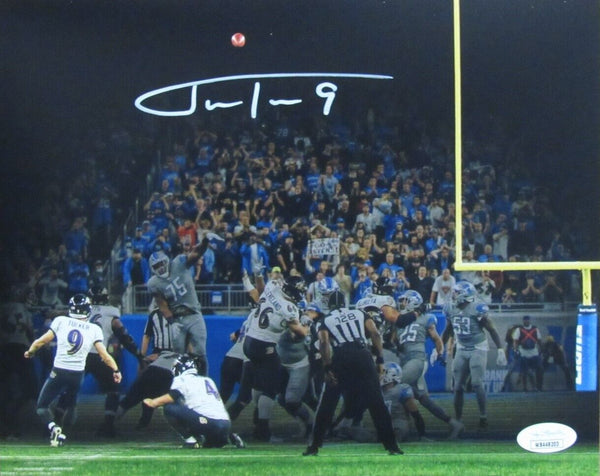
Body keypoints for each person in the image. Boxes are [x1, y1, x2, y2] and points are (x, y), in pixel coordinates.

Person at [303, 290, 403, 456]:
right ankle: (392, 446)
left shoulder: (325, 320)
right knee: (377, 402)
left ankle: (314, 446)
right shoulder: (359, 313)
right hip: (362, 354)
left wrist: (327, 367)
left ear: (330, 305)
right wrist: (379, 359)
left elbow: (324, 342)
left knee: (327, 403)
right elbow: (375, 333)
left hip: (341, 355)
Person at [24, 294, 122, 447]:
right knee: (71, 402)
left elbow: (41, 341)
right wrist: (116, 370)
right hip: (77, 375)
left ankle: (54, 427)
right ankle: (66, 427)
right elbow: (104, 355)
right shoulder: (94, 328)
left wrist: (30, 352)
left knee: (42, 407)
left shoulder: (61, 321)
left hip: (59, 371)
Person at [61, 286, 143, 437]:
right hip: (100, 355)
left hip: (80, 355)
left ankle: (54, 422)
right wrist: (138, 355)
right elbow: (125, 337)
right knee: (113, 389)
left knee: (69, 387)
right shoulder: (111, 314)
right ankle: (108, 425)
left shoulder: (81, 311)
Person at [243, 275, 309, 441]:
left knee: (260, 384)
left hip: (249, 340)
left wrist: (258, 276)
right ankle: (263, 432)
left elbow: (260, 289)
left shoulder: (273, 287)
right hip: (264, 345)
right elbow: (300, 333)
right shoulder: (289, 308)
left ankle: (257, 423)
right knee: (270, 390)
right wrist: (307, 323)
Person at [396, 290, 464, 439]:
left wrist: (438, 352)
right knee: (422, 398)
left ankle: (400, 426)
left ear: (413, 302)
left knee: (395, 387)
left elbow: (437, 339)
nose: (402, 303)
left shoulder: (426, 318)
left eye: (405, 300)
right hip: (404, 361)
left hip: (417, 359)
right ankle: (452, 423)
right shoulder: (401, 320)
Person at [441, 281, 506, 431]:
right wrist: (438, 348)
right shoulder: (450, 308)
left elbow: (492, 329)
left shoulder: (477, 308)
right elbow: (448, 330)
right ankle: (458, 420)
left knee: (476, 383)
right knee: (457, 387)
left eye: (457, 292)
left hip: (478, 347)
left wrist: (500, 349)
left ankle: (483, 417)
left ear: (465, 295)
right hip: (461, 347)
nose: (453, 295)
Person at [143, 354, 238, 449]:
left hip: (208, 424)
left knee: (169, 407)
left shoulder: (182, 379)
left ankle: (191, 441)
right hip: (226, 424)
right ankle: (228, 437)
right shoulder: (208, 380)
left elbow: (172, 397)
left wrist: (153, 402)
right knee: (210, 445)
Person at [147, 236, 211, 374]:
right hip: (177, 319)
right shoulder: (154, 283)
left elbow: (196, 254)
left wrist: (205, 242)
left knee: (200, 352)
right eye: (156, 266)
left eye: (161, 264)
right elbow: (162, 305)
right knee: (178, 356)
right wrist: (172, 323)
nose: (160, 268)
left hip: (194, 314)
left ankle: (203, 379)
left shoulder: (179, 263)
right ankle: (178, 382)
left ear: (167, 260)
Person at [512, 315, 543, 392]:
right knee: (524, 371)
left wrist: (541, 350)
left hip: (534, 353)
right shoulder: (519, 330)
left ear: (530, 321)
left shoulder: (535, 329)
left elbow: (539, 340)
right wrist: (516, 350)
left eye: (528, 320)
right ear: (523, 321)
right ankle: (525, 388)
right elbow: (515, 341)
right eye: (525, 320)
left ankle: (538, 387)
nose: (526, 321)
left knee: (539, 369)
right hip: (523, 353)